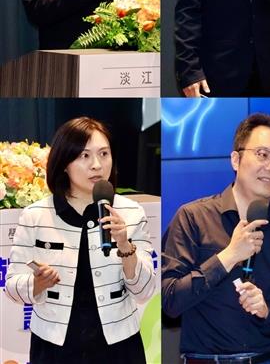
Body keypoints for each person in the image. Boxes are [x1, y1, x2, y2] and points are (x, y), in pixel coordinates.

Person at [162, 113, 270, 363]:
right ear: (236, 159)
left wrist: (269, 313)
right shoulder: (192, 218)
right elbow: (169, 300)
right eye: (263, 154)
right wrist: (228, 256)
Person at [4, 117, 156, 363]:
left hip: (118, 345)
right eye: (84, 156)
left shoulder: (131, 213)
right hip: (55, 345)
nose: (96, 165)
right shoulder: (35, 215)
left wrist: (125, 245)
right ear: (64, 163)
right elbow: (11, 287)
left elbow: (145, 290)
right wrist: (37, 283)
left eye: (104, 154)